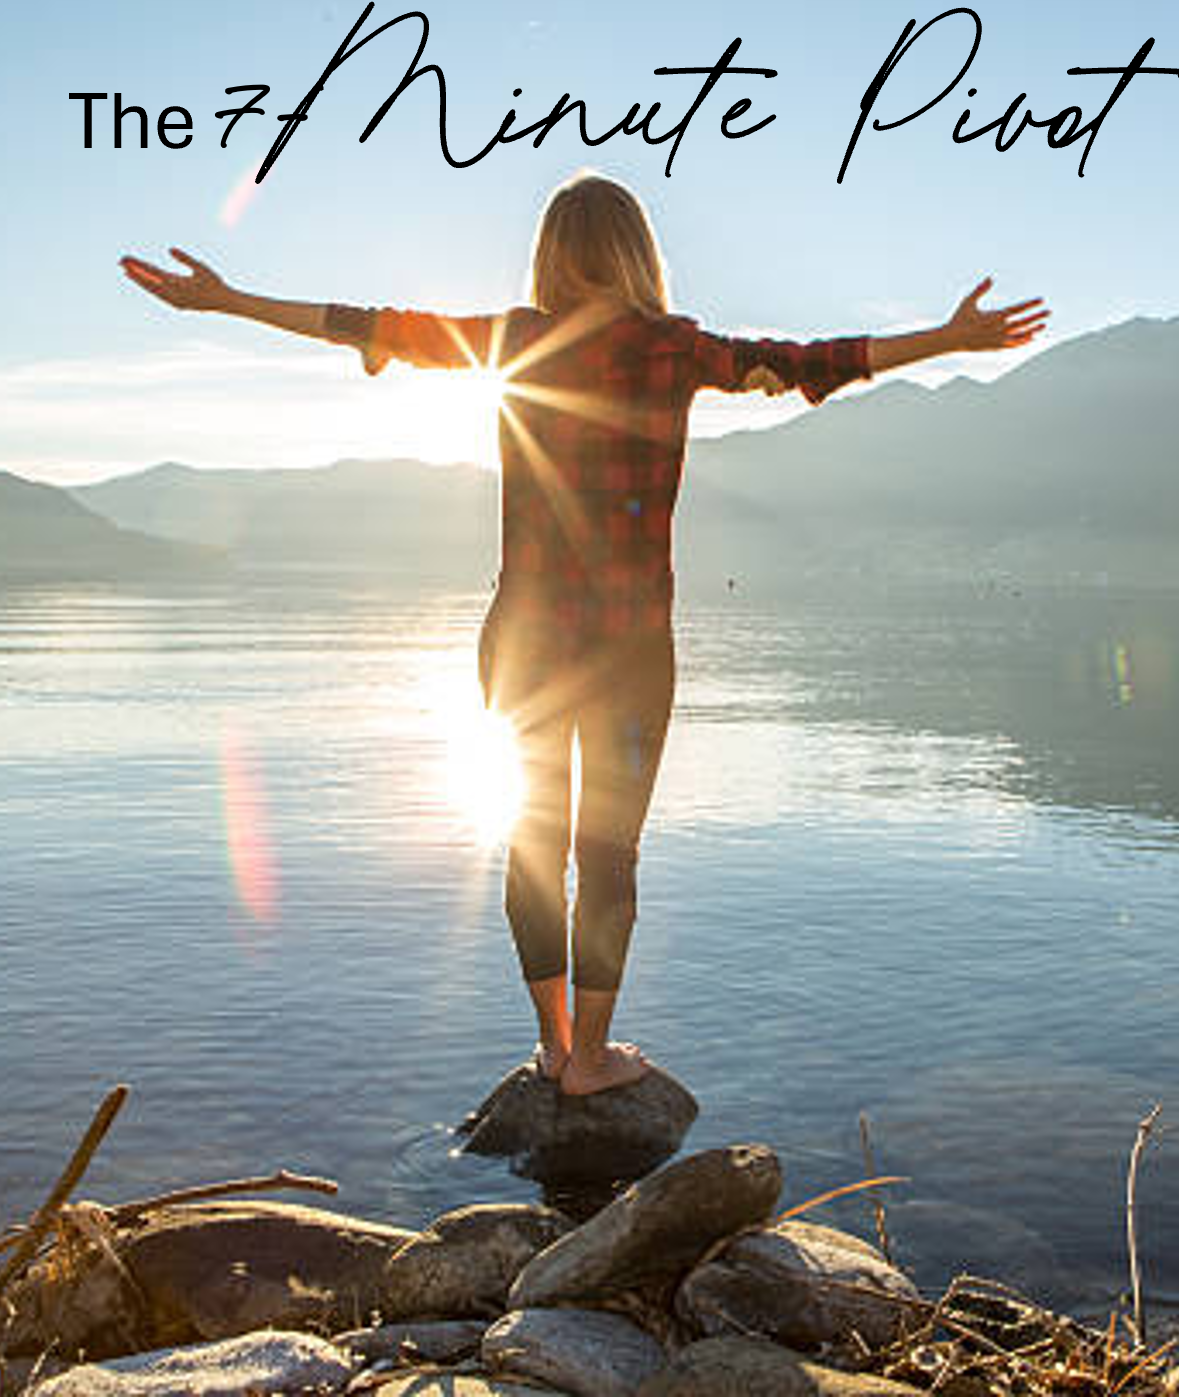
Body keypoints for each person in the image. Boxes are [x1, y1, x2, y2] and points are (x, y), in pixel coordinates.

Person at [121, 172, 1047, 1095]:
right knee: (609, 851)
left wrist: (227, 299)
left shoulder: (513, 340)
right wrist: (950, 337)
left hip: (521, 636)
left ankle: (555, 1045)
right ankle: (594, 1060)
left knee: (531, 839)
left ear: (551, 254)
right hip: (631, 646)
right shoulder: (675, 348)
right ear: (640, 253)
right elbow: (814, 361)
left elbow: (360, 322)